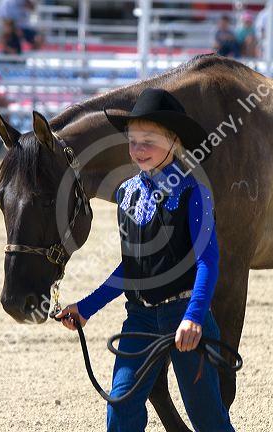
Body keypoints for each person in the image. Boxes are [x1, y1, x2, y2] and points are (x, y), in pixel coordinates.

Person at [56, 88, 235, 432]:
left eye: (148, 141)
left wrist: (195, 318)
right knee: (121, 406)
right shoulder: (126, 193)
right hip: (138, 317)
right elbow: (132, 268)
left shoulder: (194, 190)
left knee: (208, 417)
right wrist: (87, 307)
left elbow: (207, 261)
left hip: (184, 316)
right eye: (133, 141)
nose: (138, 150)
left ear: (173, 141)